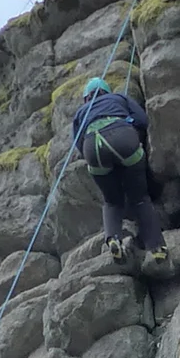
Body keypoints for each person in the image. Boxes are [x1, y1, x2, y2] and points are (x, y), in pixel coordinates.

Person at [71, 75, 167, 268]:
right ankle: (156, 248)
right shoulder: (119, 98)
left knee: (112, 201)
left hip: (93, 148)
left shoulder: (81, 112)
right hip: (122, 137)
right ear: (106, 91)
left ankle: (113, 238)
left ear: (86, 98)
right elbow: (143, 120)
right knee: (140, 198)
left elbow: (78, 143)